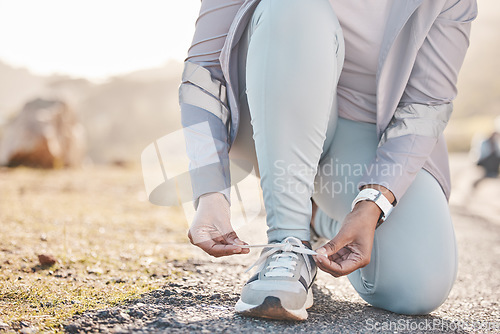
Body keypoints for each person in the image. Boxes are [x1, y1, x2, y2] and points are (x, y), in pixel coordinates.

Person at [179, 0, 477, 321]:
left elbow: (426, 104)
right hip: (271, 116)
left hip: (368, 138)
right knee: (295, 6)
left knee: (417, 287)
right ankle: (287, 242)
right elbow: (203, 74)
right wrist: (210, 191)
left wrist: (371, 205)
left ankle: (319, 218)